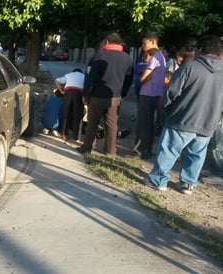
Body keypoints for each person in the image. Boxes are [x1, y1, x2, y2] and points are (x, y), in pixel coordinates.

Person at [145, 34, 223, 194]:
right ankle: (188, 183)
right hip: (208, 122)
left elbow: (171, 93)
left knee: (169, 150)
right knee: (197, 155)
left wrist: (166, 108)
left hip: (183, 118)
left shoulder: (189, 67)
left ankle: (158, 179)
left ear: (199, 50)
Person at [77, 32, 132, 155]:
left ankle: (87, 148)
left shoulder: (100, 55)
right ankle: (110, 151)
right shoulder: (127, 58)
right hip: (115, 97)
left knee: (93, 123)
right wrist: (122, 94)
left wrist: (86, 94)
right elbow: (129, 79)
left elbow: (92, 78)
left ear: (107, 42)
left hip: (97, 96)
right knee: (112, 125)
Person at [133, 32, 166, 159]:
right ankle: (147, 150)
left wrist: (143, 78)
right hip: (155, 94)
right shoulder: (161, 56)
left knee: (143, 123)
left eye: (144, 43)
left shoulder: (155, 58)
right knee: (150, 124)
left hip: (148, 94)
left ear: (153, 42)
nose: (143, 46)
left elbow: (143, 78)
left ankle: (140, 150)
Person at [55, 68, 85, 142]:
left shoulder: (68, 75)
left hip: (68, 93)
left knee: (66, 114)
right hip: (79, 94)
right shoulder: (84, 76)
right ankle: (76, 136)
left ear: (73, 72)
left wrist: (61, 91)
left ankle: (64, 134)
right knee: (77, 115)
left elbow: (57, 80)